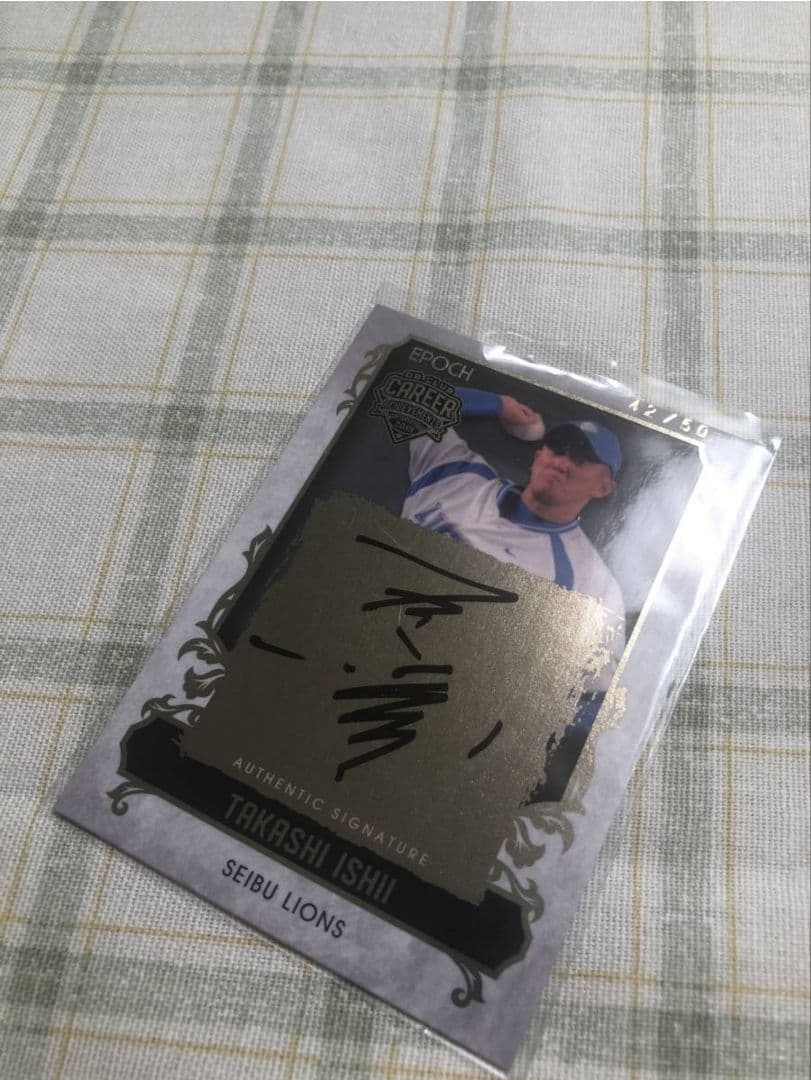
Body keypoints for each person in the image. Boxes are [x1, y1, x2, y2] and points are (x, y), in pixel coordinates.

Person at [401, 386, 625, 802]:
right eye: (557, 449)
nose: (563, 462)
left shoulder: (591, 583)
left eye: (582, 459)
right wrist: (499, 405)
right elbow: (408, 396)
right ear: (538, 455)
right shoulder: (457, 475)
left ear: (604, 487)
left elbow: (595, 702)